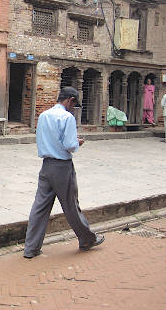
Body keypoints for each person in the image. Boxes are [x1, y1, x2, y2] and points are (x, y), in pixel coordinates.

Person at [23, 86, 104, 258]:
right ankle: (87, 239)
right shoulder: (67, 117)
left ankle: (31, 248)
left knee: (40, 207)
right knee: (71, 206)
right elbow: (69, 145)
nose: (73, 108)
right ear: (70, 100)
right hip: (62, 166)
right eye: (74, 105)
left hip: (46, 166)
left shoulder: (44, 115)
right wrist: (77, 142)